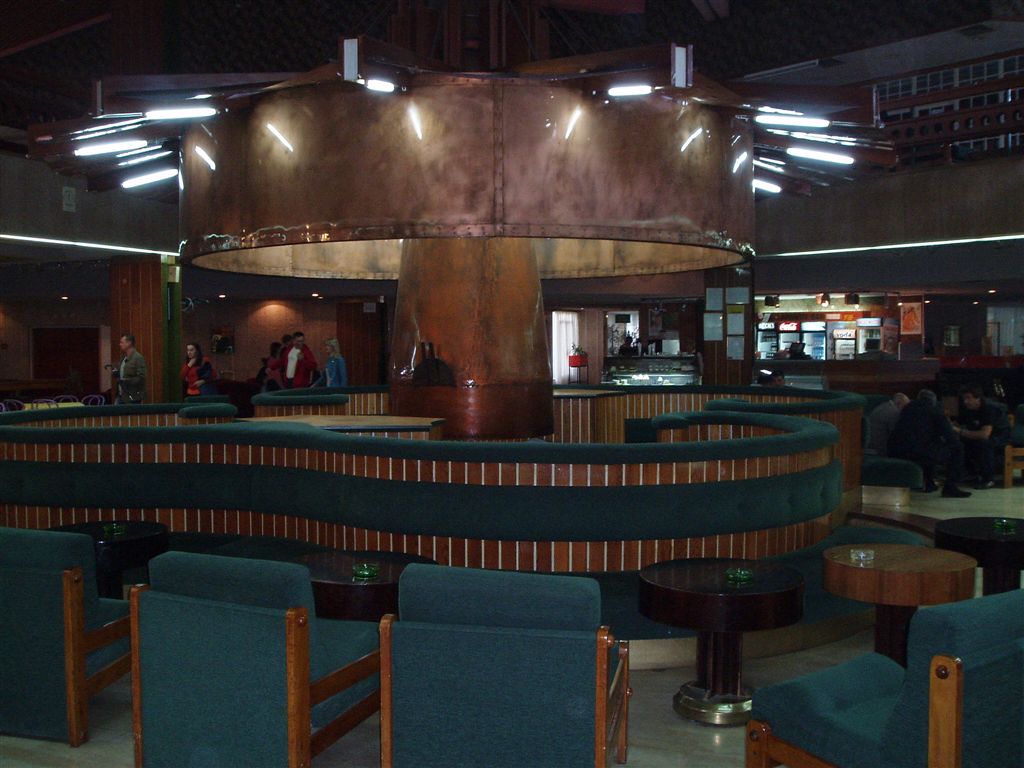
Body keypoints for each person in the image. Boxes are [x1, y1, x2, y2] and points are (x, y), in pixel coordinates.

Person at [887, 389, 970, 498]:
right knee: (957, 449)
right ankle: (950, 487)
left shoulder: (907, 408)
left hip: (896, 450)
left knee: (929, 447)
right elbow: (950, 436)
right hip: (918, 453)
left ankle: (930, 483)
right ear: (933, 401)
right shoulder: (935, 410)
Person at [953, 385, 1011, 489]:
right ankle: (969, 474)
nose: (965, 401)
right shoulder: (968, 409)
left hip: (999, 437)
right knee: (958, 442)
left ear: (978, 398)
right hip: (982, 435)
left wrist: (960, 431)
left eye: (968, 398)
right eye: (964, 399)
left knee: (984, 443)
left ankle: (988, 479)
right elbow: (957, 423)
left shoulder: (989, 408)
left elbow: (985, 434)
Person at [111, 333, 147, 404]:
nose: (120, 344)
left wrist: (126, 381)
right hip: (121, 395)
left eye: (122, 342)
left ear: (129, 343)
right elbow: (123, 374)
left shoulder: (138, 358)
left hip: (132, 397)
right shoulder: (124, 359)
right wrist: (116, 373)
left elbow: (142, 377)